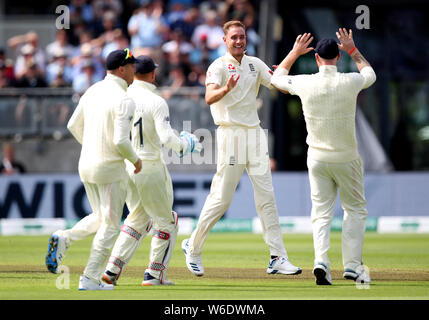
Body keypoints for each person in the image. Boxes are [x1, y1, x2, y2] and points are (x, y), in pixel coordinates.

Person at [181, 20, 302, 277]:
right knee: (221, 199)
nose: (239, 41)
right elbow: (209, 97)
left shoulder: (254, 64)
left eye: (242, 36)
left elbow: (279, 84)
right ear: (225, 41)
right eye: (234, 37)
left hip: (255, 135)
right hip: (231, 133)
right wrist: (227, 88)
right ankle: (192, 247)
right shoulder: (218, 66)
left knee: (266, 197)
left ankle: (278, 257)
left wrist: (293, 53)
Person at [270, 29, 376, 285]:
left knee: (320, 213)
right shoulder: (350, 80)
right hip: (346, 158)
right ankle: (351, 266)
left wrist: (294, 53)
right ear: (337, 57)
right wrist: (353, 49)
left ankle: (321, 261)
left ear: (317, 58)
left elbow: (277, 79)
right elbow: (370, 74)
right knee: (355, 210)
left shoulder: (305, 82)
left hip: (317, 158)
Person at [45, 48, 142, 291]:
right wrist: (135, 160)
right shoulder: (124, 99)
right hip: (109, 168)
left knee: (101, 217)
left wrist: (91, 146)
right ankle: (89, 278)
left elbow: (72, 125)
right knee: (110, 225)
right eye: (132, 67)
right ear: (122, 69)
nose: (134, 71)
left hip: (86, 164)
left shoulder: (92, 90)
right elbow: (121, 141)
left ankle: (64, 237)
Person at [102, 55, 201, 286]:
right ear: (153, 74)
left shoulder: (123, 97)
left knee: (137, 220)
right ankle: (154, 274)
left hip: (127, 165)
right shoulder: (156, 101)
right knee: (167, 221)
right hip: (150, 166)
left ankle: (111, 270)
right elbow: (167, 138)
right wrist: (186, 146)